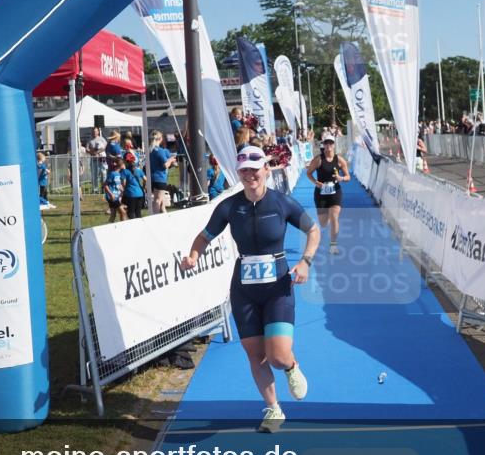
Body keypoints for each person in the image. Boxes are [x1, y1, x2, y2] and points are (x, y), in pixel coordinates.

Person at [180, 145, 320, 433]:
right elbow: (204, 237)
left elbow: (314, 231)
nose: (249, 175)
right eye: (244, 170)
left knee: (278, 356)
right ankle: (273, 409)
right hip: (244, 290)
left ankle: (292, 366)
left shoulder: (282, 203)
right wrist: (193, 256)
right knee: (255, 354)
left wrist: (305, 262)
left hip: (277, 288)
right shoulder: (229, 207)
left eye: (255, 169)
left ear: (266, 170)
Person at [305, 135, 350, 254]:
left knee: (334, 217)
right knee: (324, 223)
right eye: (326, 143)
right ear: (323, 145)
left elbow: (348, 177)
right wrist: (316, 183)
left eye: (331, 143)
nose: (328, 145)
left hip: (335, 192)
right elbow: (308, 173)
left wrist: (342, 178)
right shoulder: (318, 159)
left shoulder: (340, 160)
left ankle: (333, 245)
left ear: (334, 145)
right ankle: (327, 220)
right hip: (321, 193)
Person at [149, 131, 177, 214]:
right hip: (160, 178)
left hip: (153, 178)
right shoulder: (159, 151)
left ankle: (165, 217)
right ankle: (155, 217)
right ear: (160, 139)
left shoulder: (151, 150)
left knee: (161, 203)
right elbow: (165, 165)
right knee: (158, 200)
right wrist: (171, 159)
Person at [121, 152, 147, 219]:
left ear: (125, 161)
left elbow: (123, 184)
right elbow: (145, 179)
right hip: (140, 194)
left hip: (130, 194)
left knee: (131, 213)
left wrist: (122, 191)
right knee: (138, 213)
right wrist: (143, 187)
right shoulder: (139, 170)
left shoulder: (125, 171)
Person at [103, 156, 126, 222]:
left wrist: (122, 190)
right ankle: (124, 227)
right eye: (123, 164)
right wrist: (111, 194)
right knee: (123, 212)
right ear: (120, 165)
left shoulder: (119, 174)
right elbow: (105, 185)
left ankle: (109, 227)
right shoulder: (112, 174)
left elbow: (117, 185)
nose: (124, 165)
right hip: (113, 197)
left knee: (113, 214)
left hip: (116, 196)